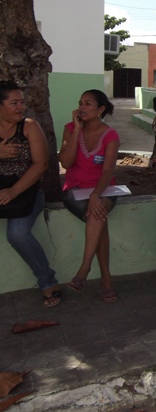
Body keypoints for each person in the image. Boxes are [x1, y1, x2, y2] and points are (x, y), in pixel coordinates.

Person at [0, 80, 61, 308]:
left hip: (26, 193)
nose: (21, 107)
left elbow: (41, 164)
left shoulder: (29, 127)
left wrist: (13, 190)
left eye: (22, 102)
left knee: (17, 234)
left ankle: (47, 280)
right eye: (14, 103)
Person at [59, 89, 120, 303]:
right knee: (99, 217)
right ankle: (105, 279)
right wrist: (77, 130)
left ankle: (84, 270)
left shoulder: (110, 135)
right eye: (80, 103)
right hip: (74, 189)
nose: (81, 108)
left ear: (100, 109)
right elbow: (66, 162)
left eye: (87, 104)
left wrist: (95, 194)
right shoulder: (70, 129)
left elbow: (108, 171)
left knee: (96, 213)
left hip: (104, 189)